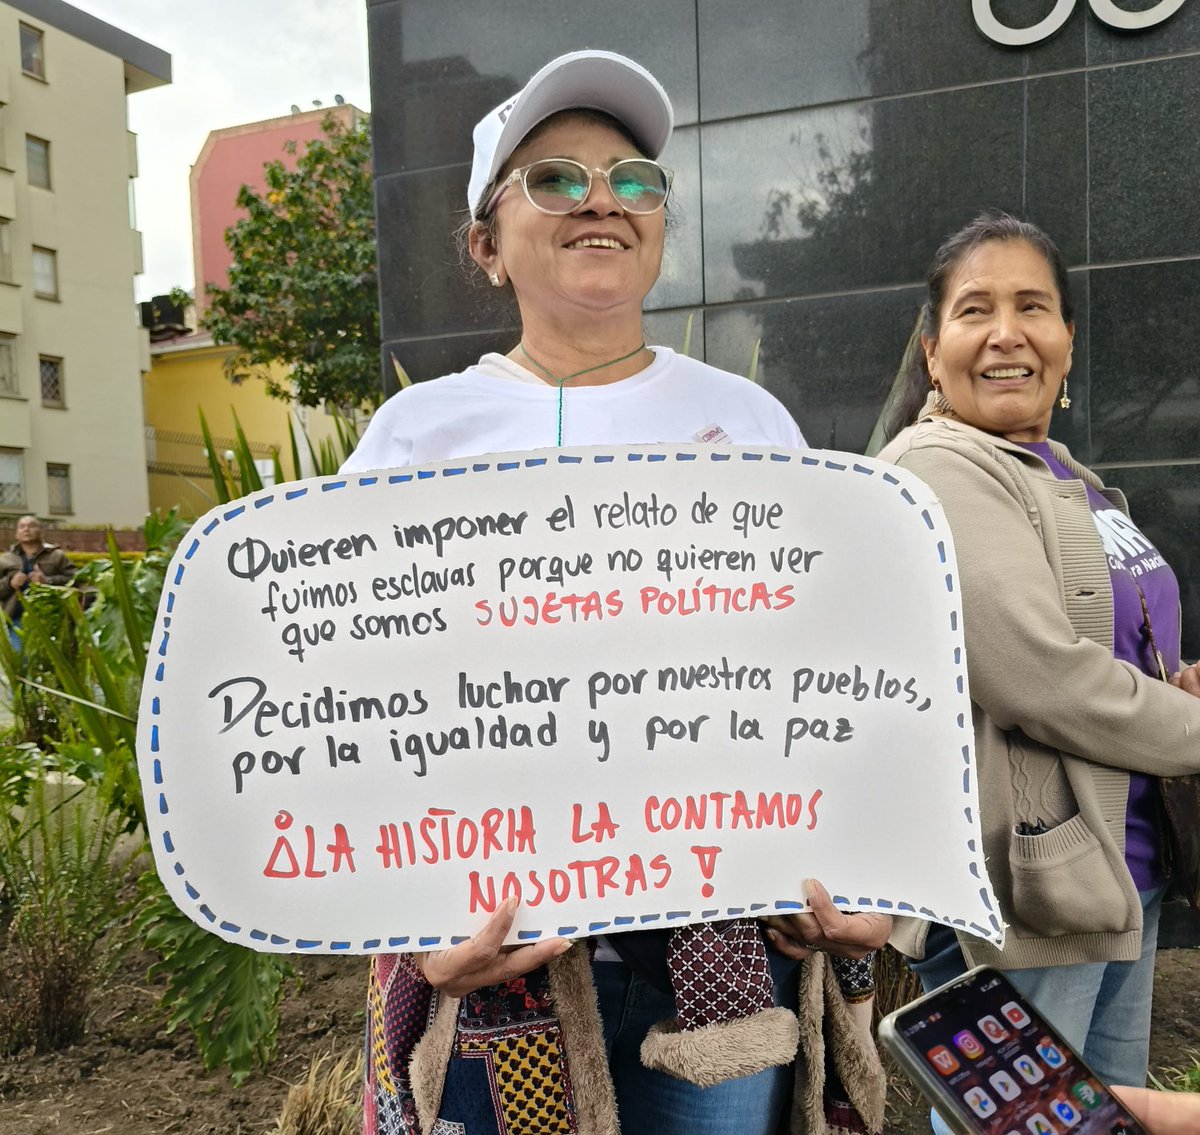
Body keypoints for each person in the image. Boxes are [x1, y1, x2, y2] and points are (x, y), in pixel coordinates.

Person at [342, 50, 891, 1135]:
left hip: (721, 955)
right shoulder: (414, 437)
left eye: (636, 180)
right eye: (555, 177)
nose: (603, 197)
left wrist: (864, 867)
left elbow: (826, 678)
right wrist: (411, 919)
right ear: (486, 244)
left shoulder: (750, 421)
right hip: (496, 951)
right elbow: (357, 704)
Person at [876, 212, 1200, 1119]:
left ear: (1066, 340)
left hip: (1120, 876)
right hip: (1032, 898)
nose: (1007, 331)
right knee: (1030, 1119)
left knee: (1107, 1118)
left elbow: (1105, 642)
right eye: (975, 309)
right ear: (935, 352)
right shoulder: (941, 467)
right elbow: (1041, 677)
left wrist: (1171, 677)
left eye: (1033, 306)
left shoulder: (1063, 470)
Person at [0, 515, 77, 650]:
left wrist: (48, 581)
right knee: (20, 662)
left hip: (51, 619)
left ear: (41, 531)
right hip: (15, 620)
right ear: (17, 533)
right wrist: (10, 583)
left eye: (31, 526)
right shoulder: (6, 559)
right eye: (22, 526)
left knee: (52, 660)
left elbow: (75, 580)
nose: (26, 529)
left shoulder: (57, 556)